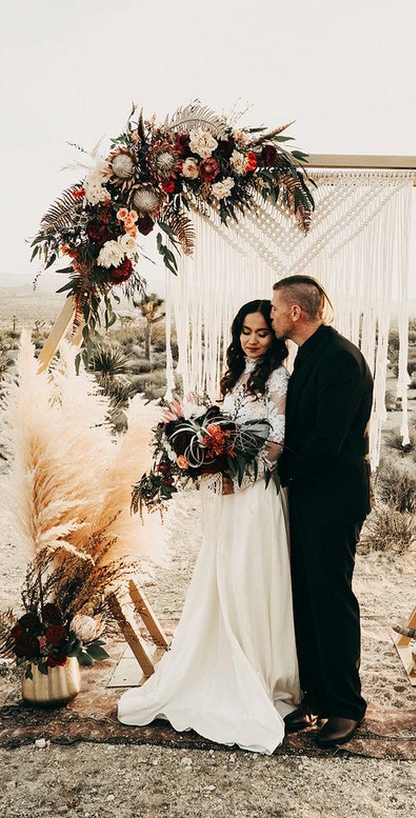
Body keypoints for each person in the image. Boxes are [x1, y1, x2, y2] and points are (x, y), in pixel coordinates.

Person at [118, 300, 301, 755]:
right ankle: (211, 660)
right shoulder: (237, 375)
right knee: (221, 575)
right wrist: (203, 457)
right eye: (245, 331)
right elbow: (226, 429)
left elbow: (277, 441)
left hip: (254, 497)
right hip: (226, 495)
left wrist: (238, 478)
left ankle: (257, 668)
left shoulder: (278, 378)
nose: (252, 339)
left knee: (248, 576)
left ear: (274, 337)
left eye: (261, 332)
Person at [270, 276, 374, 748]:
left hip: (333, 497)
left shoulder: (340, 359)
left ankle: (345, 707)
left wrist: (277, 470)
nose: (270, 317)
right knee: (306, 596)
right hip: (311, 495)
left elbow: (328, 442)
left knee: (330, 599)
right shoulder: (308, 353)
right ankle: (313, 695)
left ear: (295, 312)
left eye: (275, 309)